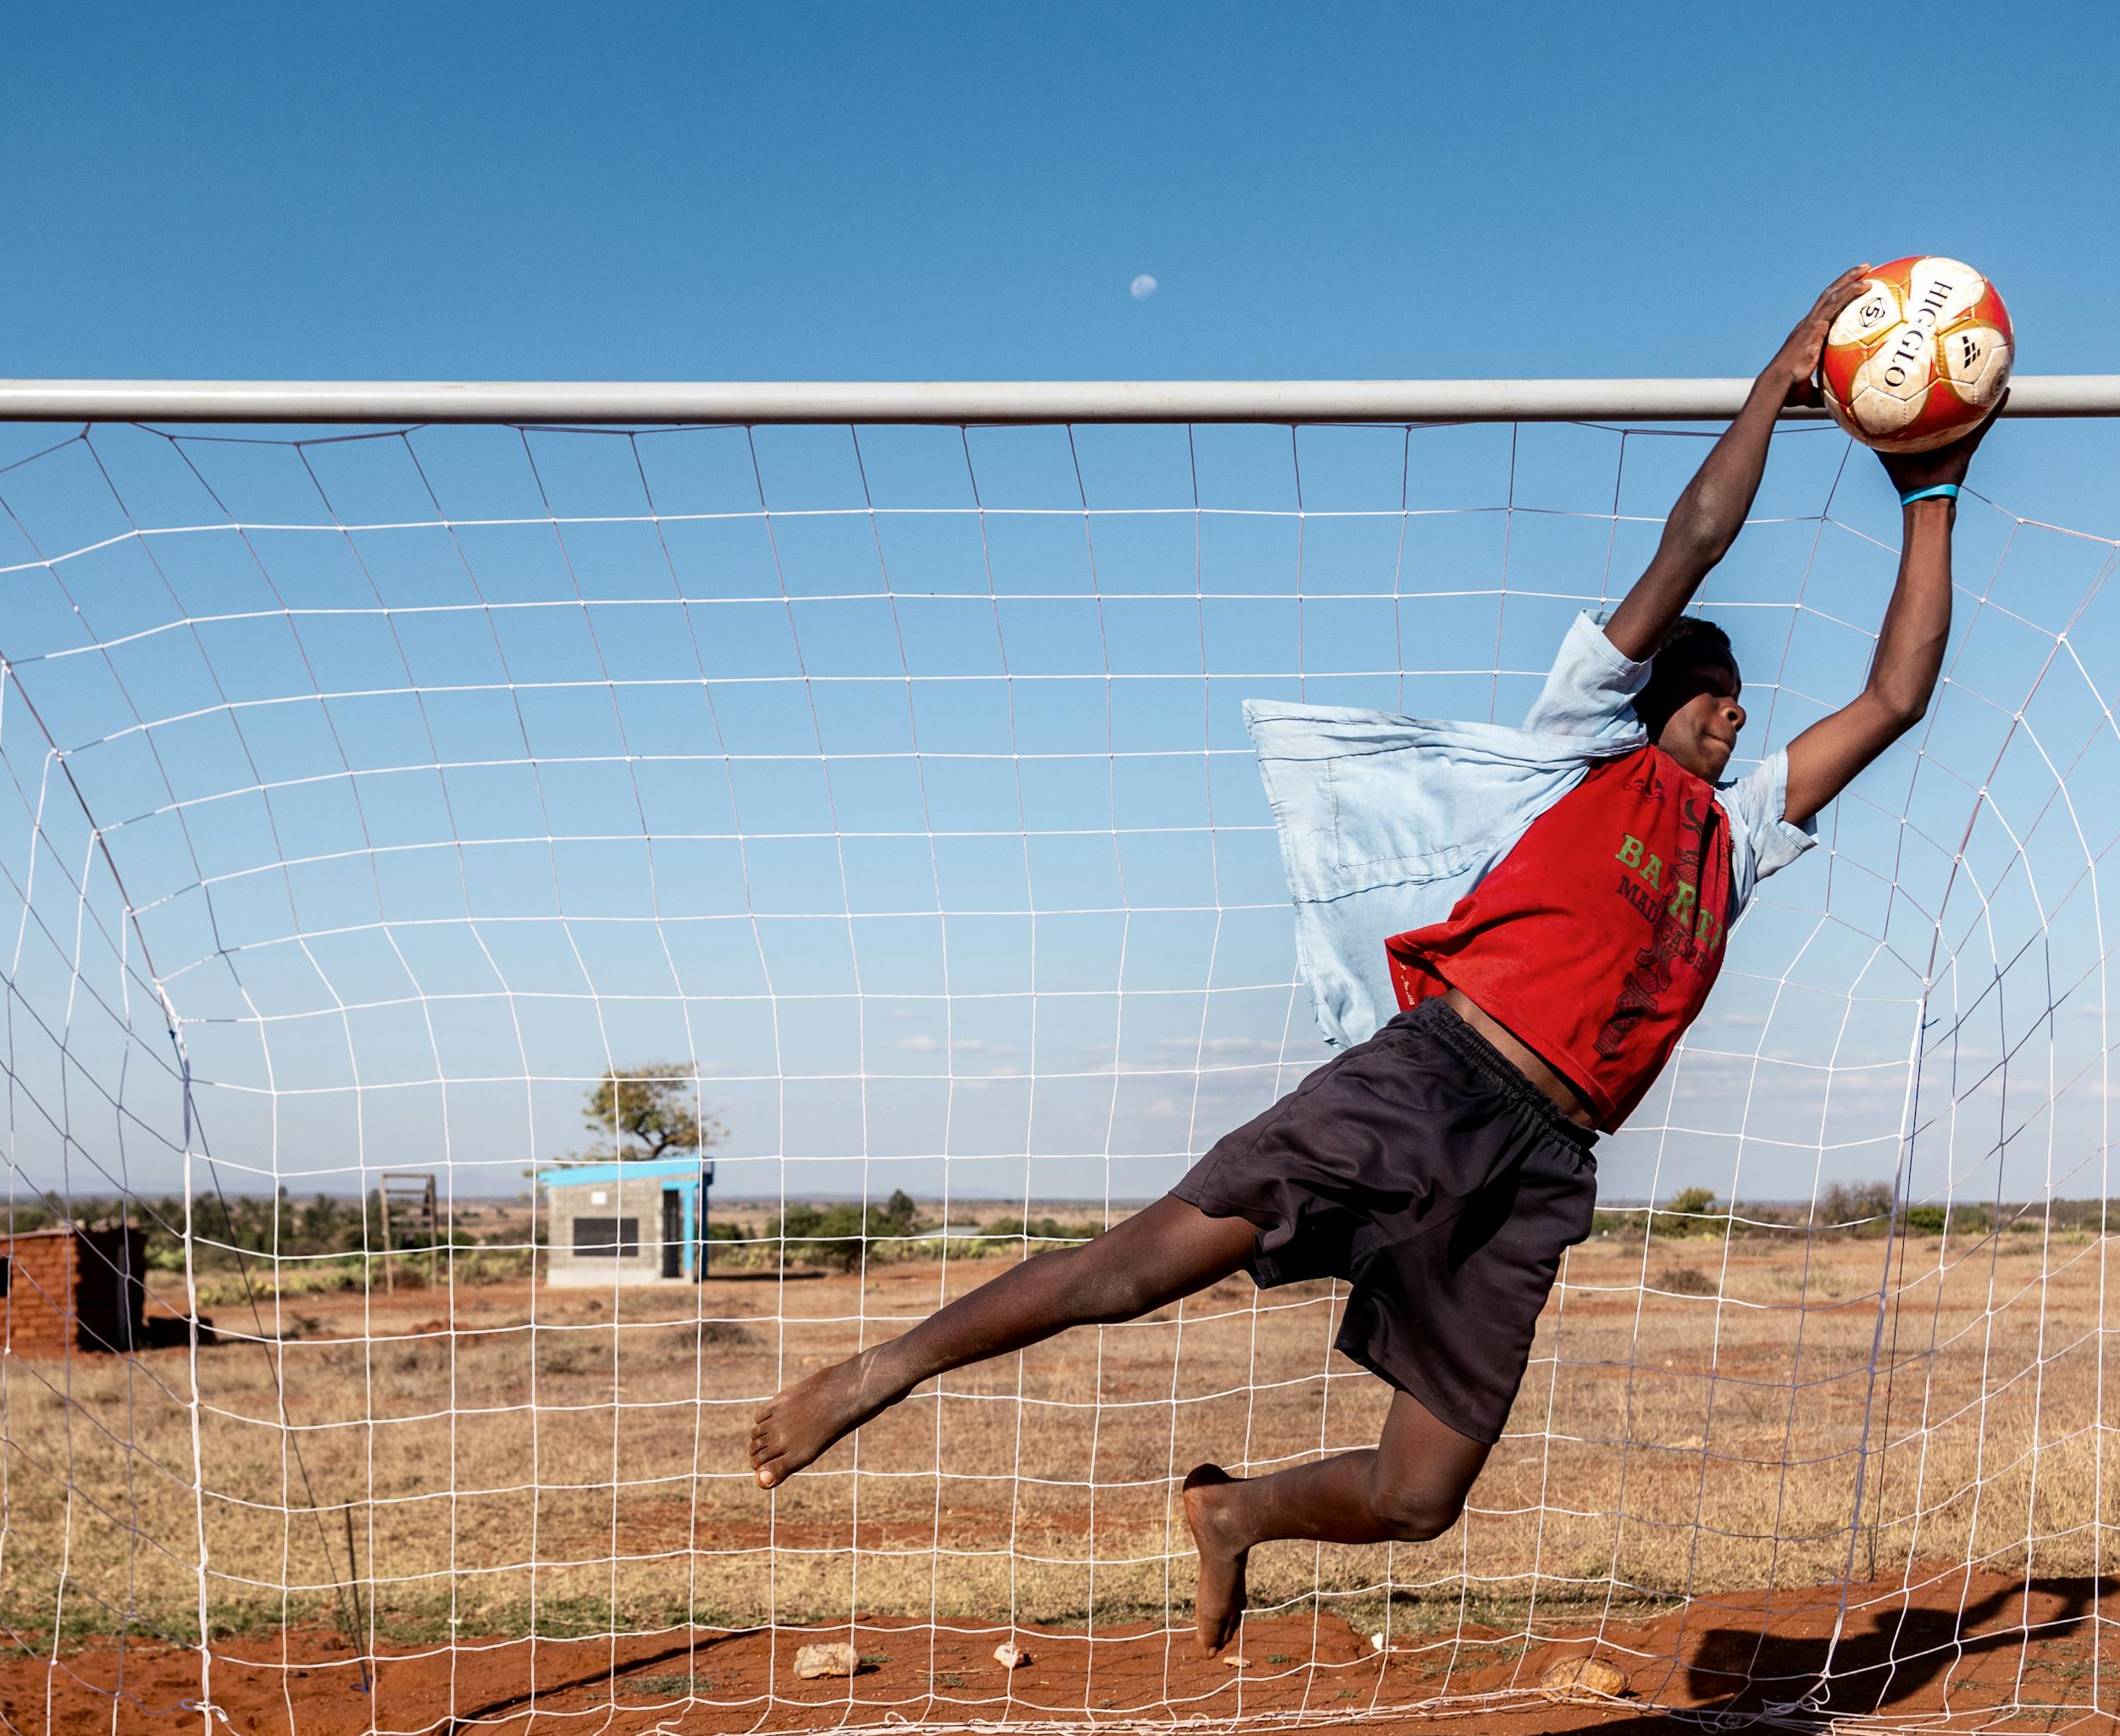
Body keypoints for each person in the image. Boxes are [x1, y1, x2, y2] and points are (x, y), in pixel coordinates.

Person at [749, 269, 1996, 1652]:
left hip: (1543, 1164)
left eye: (1739, 703)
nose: (1734, 711)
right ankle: (887, 1369)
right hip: (1427, 1082)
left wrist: (1929, 487)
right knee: (1147, 1264)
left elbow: (1896, 695)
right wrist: (1778, 377)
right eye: (1711, 693)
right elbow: (1692, 545)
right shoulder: (1578, 746)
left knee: (1420, 1499)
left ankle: (1236, 1517)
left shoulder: (1738, 837)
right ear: (1655, 703)